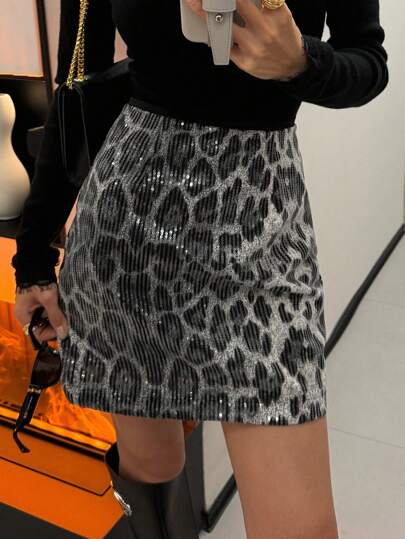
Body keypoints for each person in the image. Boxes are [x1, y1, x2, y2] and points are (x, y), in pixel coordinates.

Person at [12, 0, 389, 537]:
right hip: (126, 244)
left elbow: (368, 61)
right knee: (154, 472)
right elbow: (77, 85)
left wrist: (303, 63)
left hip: (263, 234)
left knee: (303, 527)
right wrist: (32, 259)